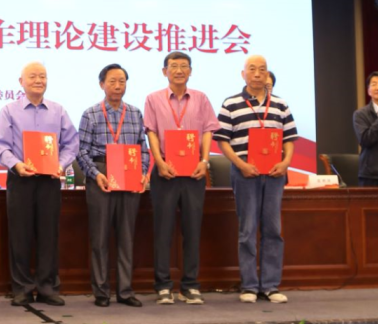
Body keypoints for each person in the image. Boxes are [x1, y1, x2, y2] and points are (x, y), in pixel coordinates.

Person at [0, 62, 78, 307]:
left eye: (43, 76)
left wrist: (61, 164)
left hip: (49, 180)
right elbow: (0, 146)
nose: (39, 80)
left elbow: (72, 143)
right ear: (21, 82)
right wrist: (17, 165)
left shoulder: (58, 111)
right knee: (20, 235)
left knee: (48, 234)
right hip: (21, 179)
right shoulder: (9, 110)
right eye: (33, 76)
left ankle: (48, 287)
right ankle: (22, 289)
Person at [214, 55, 296, 304]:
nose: (258, 73)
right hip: (245, 174)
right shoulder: (230, 104)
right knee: (247, 230)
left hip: (274, 175)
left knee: (273, 230)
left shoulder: (280, 104)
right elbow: (222, 141)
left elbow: (289, 139)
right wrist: (240, 165)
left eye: (262, 69)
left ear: (267, 74)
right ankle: (249, 285)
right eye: (252, 69)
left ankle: (270, 286)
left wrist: (285, 162)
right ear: (244, 74)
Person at [142, 52, 220, 305]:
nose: (178, 70)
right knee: (163, 230)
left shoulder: (201, 98)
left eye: (184, 66)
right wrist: (159, 162)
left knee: (192, 229)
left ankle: (190, 285)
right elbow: (151, 133)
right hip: (165, 171)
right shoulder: (153, 99)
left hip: (194, 171)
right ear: (164, 71)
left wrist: (204, 161)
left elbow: (208, 131)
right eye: (173, 66)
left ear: (190, 71)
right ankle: (163, 285)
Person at [76, 63, 149, 308]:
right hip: (102, 174)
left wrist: (143, 173)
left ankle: (125, 291)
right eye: (112, 81)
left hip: (129, 173)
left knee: (127, 237)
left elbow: (143, 148)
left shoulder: (135, 113)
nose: (118, 86)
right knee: (100, 238)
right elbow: (81, 151)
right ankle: (101, 292)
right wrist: (96, 174)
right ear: (102, 85)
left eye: (122, 81)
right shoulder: (91, 113)